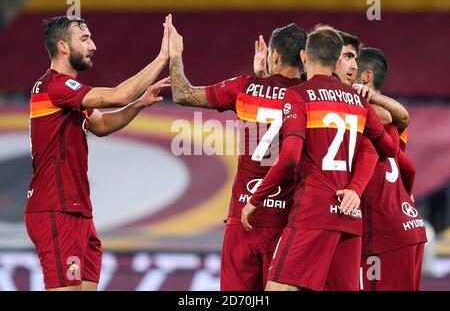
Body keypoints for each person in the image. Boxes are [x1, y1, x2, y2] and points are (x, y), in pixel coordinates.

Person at [242, 25, 398, 291]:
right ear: (337, 60)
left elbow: (290, 156)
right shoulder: (357, 102)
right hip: (348, 215)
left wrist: (255, 200)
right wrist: (355, 189)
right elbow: (386, 149)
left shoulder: (299, 96)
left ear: (304, 56)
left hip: (312, 212)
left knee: (278, 289)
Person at [25, 15, 170, 291]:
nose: (93, 45)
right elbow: (117, 95)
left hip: (78, 211)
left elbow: (102, 125)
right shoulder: (55, 86)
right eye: (84, 39)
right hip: (56, 208)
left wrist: (139, 104)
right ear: (63, 47)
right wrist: (163, 57)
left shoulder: (70, 95)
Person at [167, 15, 307, 290]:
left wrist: (175, 55)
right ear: (304, 57)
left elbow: (182, 93)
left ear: (274, 55)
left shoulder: (245, 88)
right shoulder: (308, 96)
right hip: (286, 221)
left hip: (243, 219)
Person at [355, 47, 427, 290]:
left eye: (352, 67)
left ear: (365, 77)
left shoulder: (367, 116)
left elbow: (384, 116)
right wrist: (405, 195)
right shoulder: (396, 124)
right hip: (409, 225)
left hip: (383, 232)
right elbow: (408, 167)